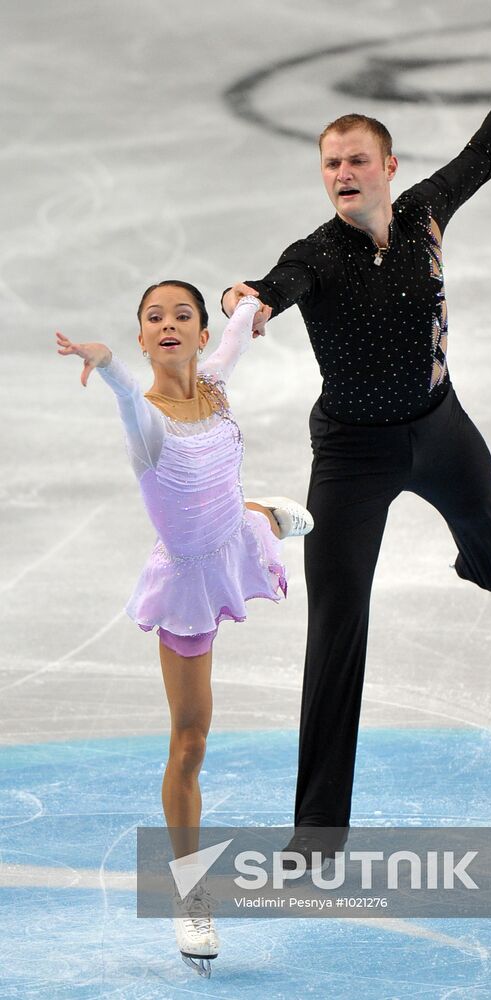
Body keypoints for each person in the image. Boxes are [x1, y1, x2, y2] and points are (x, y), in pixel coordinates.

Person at [222, 40, 491, 867]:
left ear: (388, 165)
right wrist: (250, 299)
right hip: (351, 457)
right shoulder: (316, 254)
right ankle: (317, 833)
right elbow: (275, 285)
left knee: (487, 527)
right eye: (330, 164)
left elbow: (484, 154)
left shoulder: (425, 212)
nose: (342, 173)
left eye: (356, 160)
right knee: (336, 630)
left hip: (441, 428)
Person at [56, 282, 313, 977]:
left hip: (230, 536)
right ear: (142, 338)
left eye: (182, 316)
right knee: (191, 741)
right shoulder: (148, 421)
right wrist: (107, 365)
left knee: (243, 518)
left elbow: (238, 335)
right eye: (153, 318)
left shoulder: (217, 381)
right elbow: (119, 393)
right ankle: (190, 892)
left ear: (198, 333)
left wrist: (249, 303)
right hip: (188, 580)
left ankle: (261, 513)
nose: (168, 324)